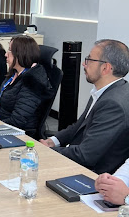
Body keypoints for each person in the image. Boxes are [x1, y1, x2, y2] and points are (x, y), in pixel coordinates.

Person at [40, 39, 129, 174]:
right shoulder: (105, 90)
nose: (83, 63)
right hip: (77, 159)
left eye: (89, 60)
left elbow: (86, 156)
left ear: (105, 68)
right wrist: (53, 141)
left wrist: (47, 151)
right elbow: (79, 126)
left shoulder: (113, 104)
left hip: (92, 174)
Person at [0, 35, 53, 137]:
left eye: (10, 50)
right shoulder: (14, 73)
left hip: (18, 133)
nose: (6, 54)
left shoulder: (32, 81)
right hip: (0, 125)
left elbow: (18, 120)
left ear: (21, 54)